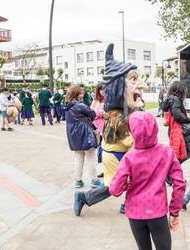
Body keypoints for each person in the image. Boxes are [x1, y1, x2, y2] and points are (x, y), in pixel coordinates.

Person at [73, 43, 148, 216]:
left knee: (132, 180)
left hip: (119, 154)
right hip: (115, 156)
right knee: (115, 187)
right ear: (118, 88)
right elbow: (131, 141)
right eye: (134, 79)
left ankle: (127, 204)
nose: (142, 85)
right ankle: (84, 197)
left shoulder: (122, 113)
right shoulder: (117, 117)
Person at [109, 111, 186, 250]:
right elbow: (179, 183)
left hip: (135, 213)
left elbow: (114, 190)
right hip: (157, 212)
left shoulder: (129, 157)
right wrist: (174, 211)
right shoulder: (166, 152)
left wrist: (126, 185)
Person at [64, 85, 102, 189]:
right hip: (85, 134)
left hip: (73, 135)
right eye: (81, 93)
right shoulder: (80, 105)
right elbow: (93, 114)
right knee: (91, 158)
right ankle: (94, 180)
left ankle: (78, 180)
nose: (83, 95)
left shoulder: (68, 105)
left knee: (78, 158)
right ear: (76, 94)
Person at [162, 81, 190, 163]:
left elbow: (165, 109)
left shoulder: (170, 99)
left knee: (179, 154)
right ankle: (171, 173)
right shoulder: (176, 99)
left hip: (173, 129)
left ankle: (172, 172)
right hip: (179, 130)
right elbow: (177, 115)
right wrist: (186, 119)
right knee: (181, 155)